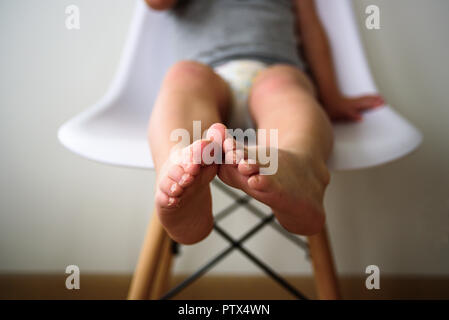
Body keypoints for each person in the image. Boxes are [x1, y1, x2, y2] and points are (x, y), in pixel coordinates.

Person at [146, 0, 384, 244]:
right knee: (183, 75)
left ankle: (299, 166)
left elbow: (311, 29)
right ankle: (179, 168)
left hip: (274, 71)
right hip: (208, 80)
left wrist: (331, 96)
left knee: (284, 85)